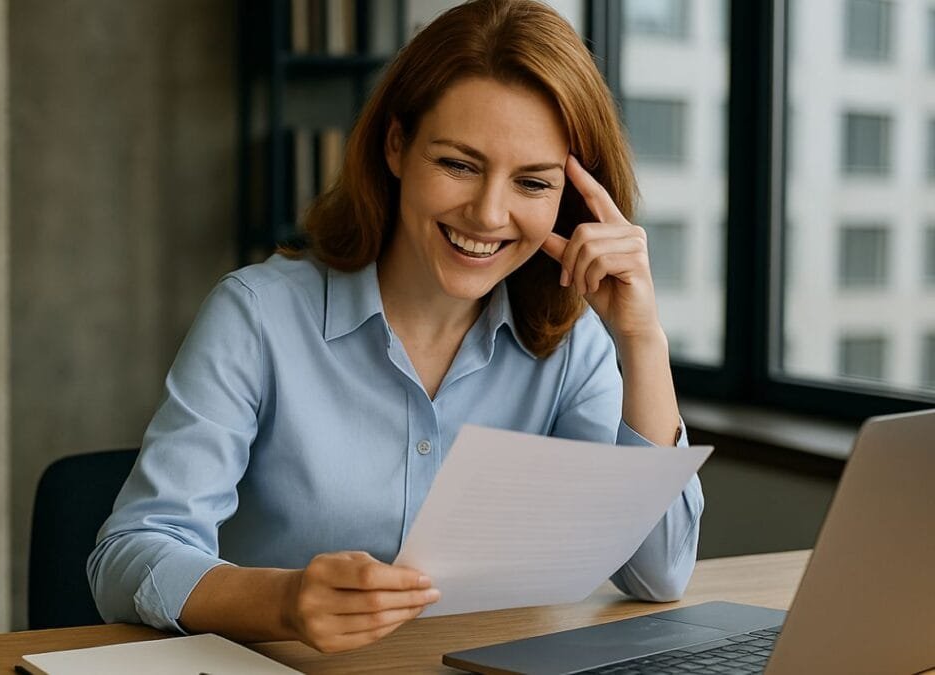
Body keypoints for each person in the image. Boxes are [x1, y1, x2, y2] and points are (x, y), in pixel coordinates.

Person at [87, 0, 703, 655]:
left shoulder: (568, 345)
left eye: (531, 181)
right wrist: (284, 602)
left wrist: (642, 338)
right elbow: (129, 554)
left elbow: (658, 571)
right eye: (459, 164)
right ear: (397, 145)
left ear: (569, 200)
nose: (489, 212)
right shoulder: (258, 316)